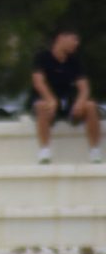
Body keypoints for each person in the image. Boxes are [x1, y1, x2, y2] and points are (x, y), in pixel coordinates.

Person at [31, 27, 101, 164]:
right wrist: (51, 99)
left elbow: (84, 87)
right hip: (49, 102)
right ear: (61, 38)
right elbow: (38, 82)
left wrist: (80, 102)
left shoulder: (75, 61)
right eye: (73, 39)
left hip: (69, 102)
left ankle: (95, 151)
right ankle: (44, 150)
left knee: (91, 106)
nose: (76, 43)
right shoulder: (42, 57)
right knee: (41, 106)